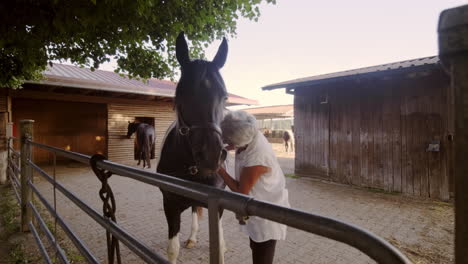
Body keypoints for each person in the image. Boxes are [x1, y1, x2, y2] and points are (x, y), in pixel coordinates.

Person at [218, 110, 290, 264]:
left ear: (240, 141)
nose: (227, 144)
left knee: (262, 254)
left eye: (229, 141)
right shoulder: (250, 134)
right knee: (255, 245)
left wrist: (219, 168)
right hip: (256, 208)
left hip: (266, 212)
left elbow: (240, 192)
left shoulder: (257, 157)